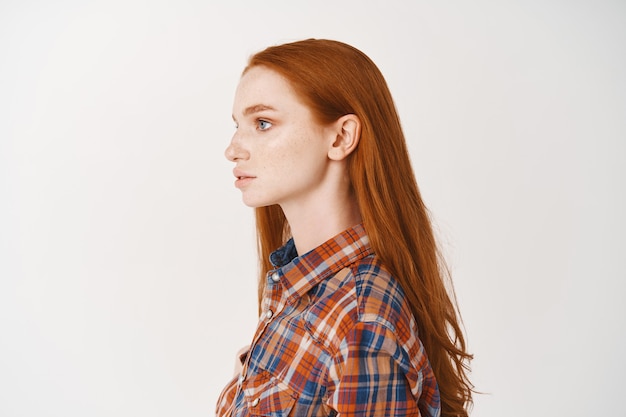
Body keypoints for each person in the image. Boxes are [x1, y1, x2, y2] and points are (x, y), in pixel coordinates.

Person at [217, 38, 473, 417]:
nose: (233, 148)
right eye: (238, 125)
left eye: (263, 123)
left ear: (341, 137)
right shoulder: (298, 291)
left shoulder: (360, 320)